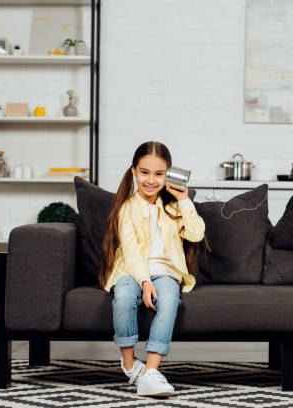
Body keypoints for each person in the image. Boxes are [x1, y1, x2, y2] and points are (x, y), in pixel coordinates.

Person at [98, 141, 205, 397]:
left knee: (169, 300)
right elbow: (132, 251)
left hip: (166, 270)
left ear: (168, 174)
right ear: (134, 171)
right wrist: (144, 281)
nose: (151, 180)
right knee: (123, 297)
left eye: (159, 174)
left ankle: (150, 372)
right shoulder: (126, 207)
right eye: (145, 172)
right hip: (131, 270)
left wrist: (184, 200)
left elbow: (197, 234)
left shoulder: (173, 207)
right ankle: (129, 364)